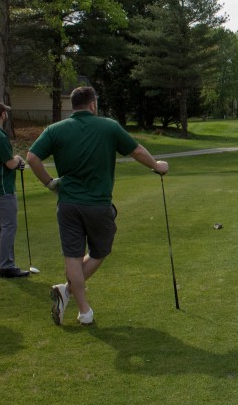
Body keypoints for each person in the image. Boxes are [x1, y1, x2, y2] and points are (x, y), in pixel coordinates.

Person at [27, 86, 169, 326]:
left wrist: (50, 183)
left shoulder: (55, 130)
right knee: (99, 252)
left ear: (72, 105)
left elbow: (32, 157)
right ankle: (76, 303)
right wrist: (157, 166)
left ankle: (81, 307)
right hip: (97, 204)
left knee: (72, 257)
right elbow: (136, 150)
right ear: (92, 104)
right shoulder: (108, 126)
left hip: (68, 203)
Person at [0, 102, 30, 278]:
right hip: (3, 188)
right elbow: (10, 164)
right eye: (6, 112)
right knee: (8, 226)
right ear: (2, 115)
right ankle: (7, 265)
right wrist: (18, 159)